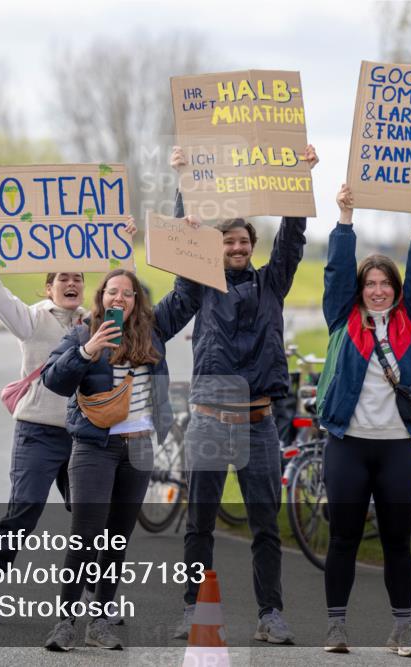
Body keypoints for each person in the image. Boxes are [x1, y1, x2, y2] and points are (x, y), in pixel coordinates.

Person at [170, 144, 318, 645]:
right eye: (228, 242)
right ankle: (194, 610)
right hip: (209, 420)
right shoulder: (202, 285)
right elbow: (180, 245)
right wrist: (184, 180)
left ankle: (269, 613)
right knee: (199, 525)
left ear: (251, 246)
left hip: (258, 423)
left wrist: (298, 179)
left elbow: (292, 243)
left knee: (265, 526)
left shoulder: (272, 284)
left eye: (242, 242)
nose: (235, 248)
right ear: (218, 247)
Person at [0, 216, 138, 624]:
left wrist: (125, 246)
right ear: (49, 286)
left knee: (92, 516)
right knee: (25, 510)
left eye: (77, 277)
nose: (71, 284)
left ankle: (97, 596)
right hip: (38, 432)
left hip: (85, 436)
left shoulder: (99, 321)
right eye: (62, 279)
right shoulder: (31, 319)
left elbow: (129, 296)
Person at [40, 268, 198, 651]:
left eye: (128, 294)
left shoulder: (153, 333)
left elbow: (187, 291)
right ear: (102, 297)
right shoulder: (82, 333)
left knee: (115, 541)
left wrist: (184, 226)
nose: (120, 299)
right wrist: (88, 351)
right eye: (113, 292)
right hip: (94, 447)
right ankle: (65, 622)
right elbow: (53, 380)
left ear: (137, 301)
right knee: (85, 538)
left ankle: (100, 620)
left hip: (139, 447)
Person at [316, 184, 411, 657]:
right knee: (343, 537)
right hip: (348, 445)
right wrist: (345, 217)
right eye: (371, 284)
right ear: (361, 289)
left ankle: (402, 630)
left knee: (397, 542)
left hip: (397, 448)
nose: (379, 290)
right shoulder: (341, 319)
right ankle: (336, 628)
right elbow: (335, 272)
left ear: (395, 289)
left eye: (386, 283)